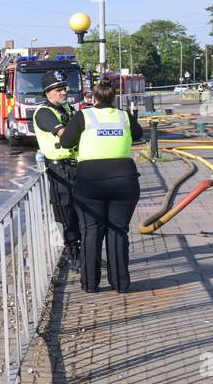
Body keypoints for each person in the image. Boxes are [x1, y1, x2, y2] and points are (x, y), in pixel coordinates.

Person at [58, 76, 143, 293]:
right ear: (113, 97)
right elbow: (139, 135)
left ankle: (90, 284)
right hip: (124, 179)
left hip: (90, 180)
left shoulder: (83, 116)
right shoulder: (123, 116)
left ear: (94, 98)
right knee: (118, 231)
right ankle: (121, 284)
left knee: (91, 230)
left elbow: (66, 142)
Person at [31, 70, 82, 262]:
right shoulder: (44, 113)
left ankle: (83, 253)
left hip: (74, 166)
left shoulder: (66, 109)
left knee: (79, 211)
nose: (63, 92)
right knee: (66, 211)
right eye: (58, 89)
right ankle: (73, 254)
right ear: (48, 93)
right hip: (59, 169)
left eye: (64, 88)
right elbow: (65, 135)